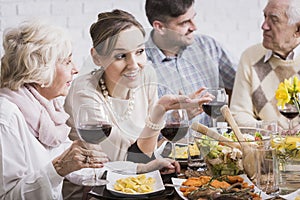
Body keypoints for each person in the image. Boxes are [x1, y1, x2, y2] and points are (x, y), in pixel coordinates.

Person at [64, 9, 212, 164]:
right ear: (97, 57)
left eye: (140, 51)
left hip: (136, 181)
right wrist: (159, 110)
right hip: (93, 184)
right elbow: (126, 159)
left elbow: (149, 150)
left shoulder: (146, 75)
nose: (134, 65)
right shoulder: (84, 92)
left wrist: (176, 114)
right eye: (121, 56)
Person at [0, 20, 110, 199]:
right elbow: (7, 196)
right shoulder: (6, 118)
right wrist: (59, 167)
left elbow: (74, 169)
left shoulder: (47, 106)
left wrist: (139, 171)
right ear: (39, 70)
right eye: (67, 62)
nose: (75, 69)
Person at [144, 0, 237, 127]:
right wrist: (177, 116)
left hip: (217, 144)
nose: (194, 27)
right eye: (184, 23)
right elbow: (138, 128)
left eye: (193, 18)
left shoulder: (208, 47)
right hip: (169, 146)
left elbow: (243, 85)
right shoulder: (140, 65)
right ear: (160, 27)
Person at [230, 0, 300, 130]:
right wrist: (265, 128)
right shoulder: (250, 57)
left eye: (274, 20)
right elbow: (238, 114)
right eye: (265, 17)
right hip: (265, 146)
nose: (264, 26)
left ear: (297, 30)